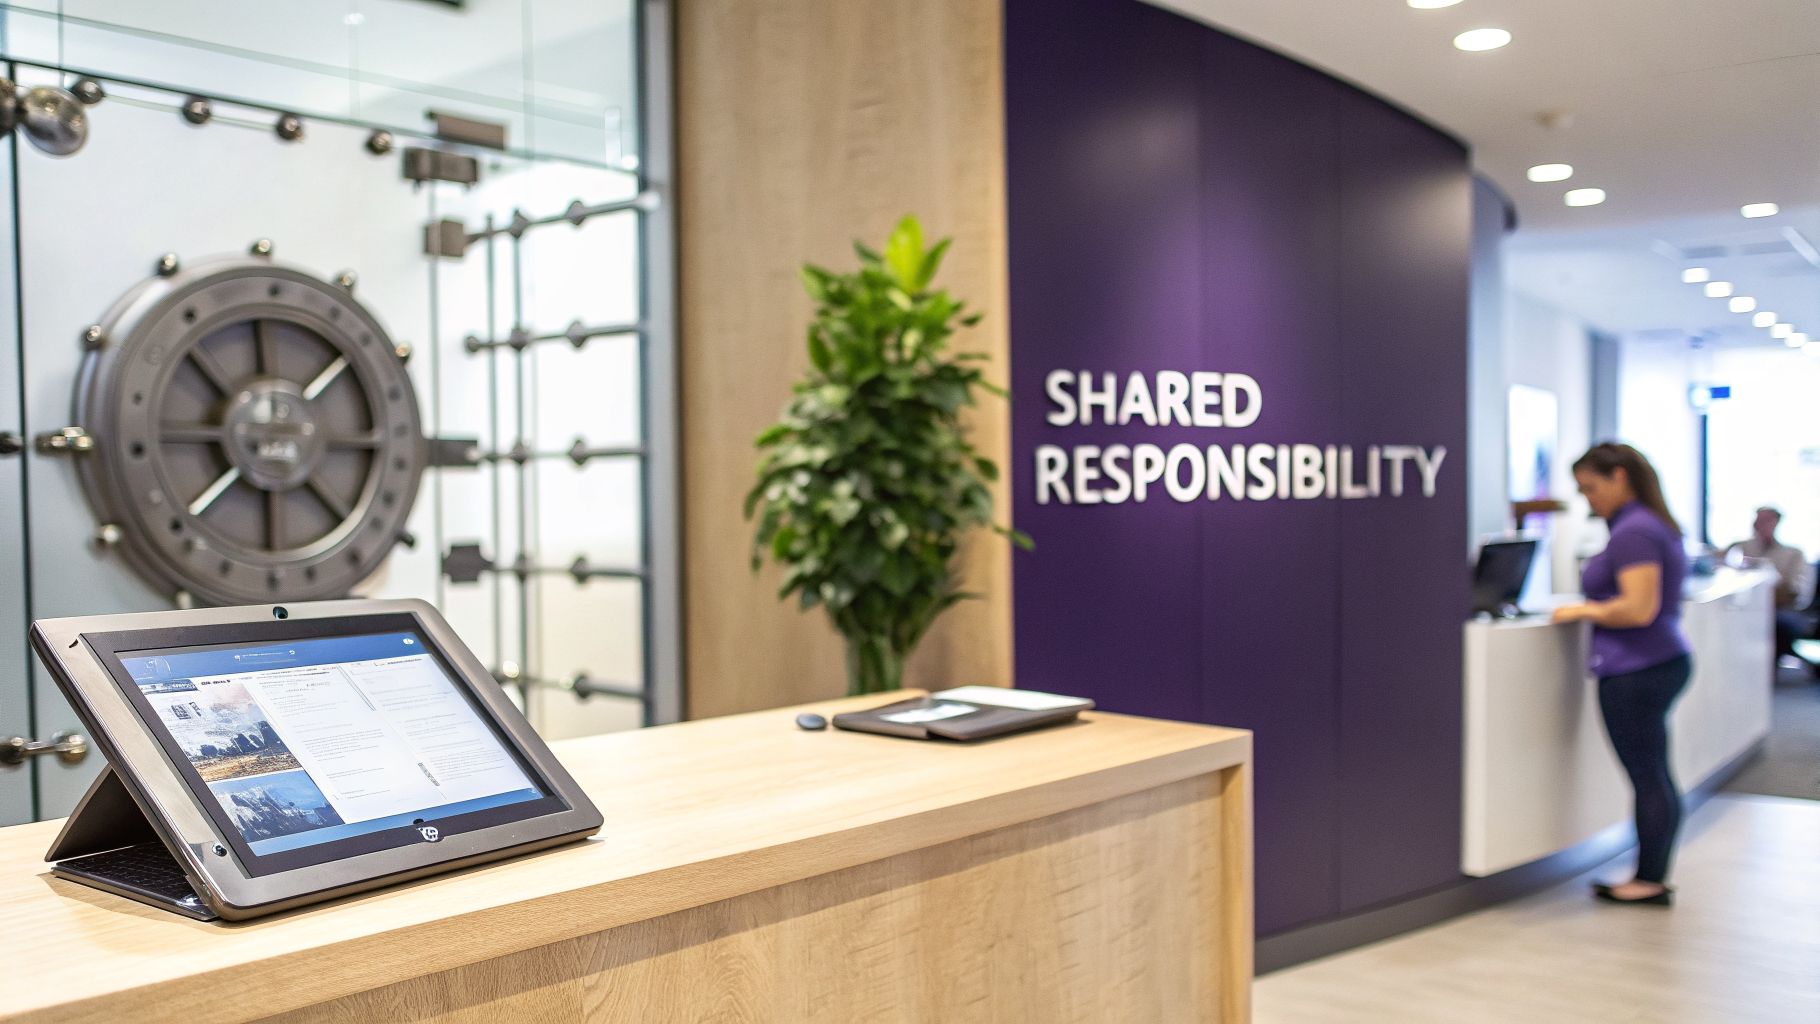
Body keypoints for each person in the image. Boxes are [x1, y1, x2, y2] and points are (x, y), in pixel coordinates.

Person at [1551, 443, 1690, 906]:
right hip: (1658, 661)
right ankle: (1651, 873)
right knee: (1655, 775)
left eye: (1591, 488)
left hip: (1637, 669)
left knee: (1649, 777)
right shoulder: (1651, 525)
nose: (1587, 499)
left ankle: (1649, 879)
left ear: (1619, 477)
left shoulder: (1634, 532)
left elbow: (1638, 607)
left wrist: (1581, 609)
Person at [1725, 507, 1816, 674]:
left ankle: (1766, 673)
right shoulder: (1742, 548)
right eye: (1758, 520)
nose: (1760, 525)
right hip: (1748, 607)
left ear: (1776, 523)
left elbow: (1795, 592)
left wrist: (1768, 577)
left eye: (1766, 520)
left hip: (1783, 609)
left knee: (1775, 623)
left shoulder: (1793, 553)